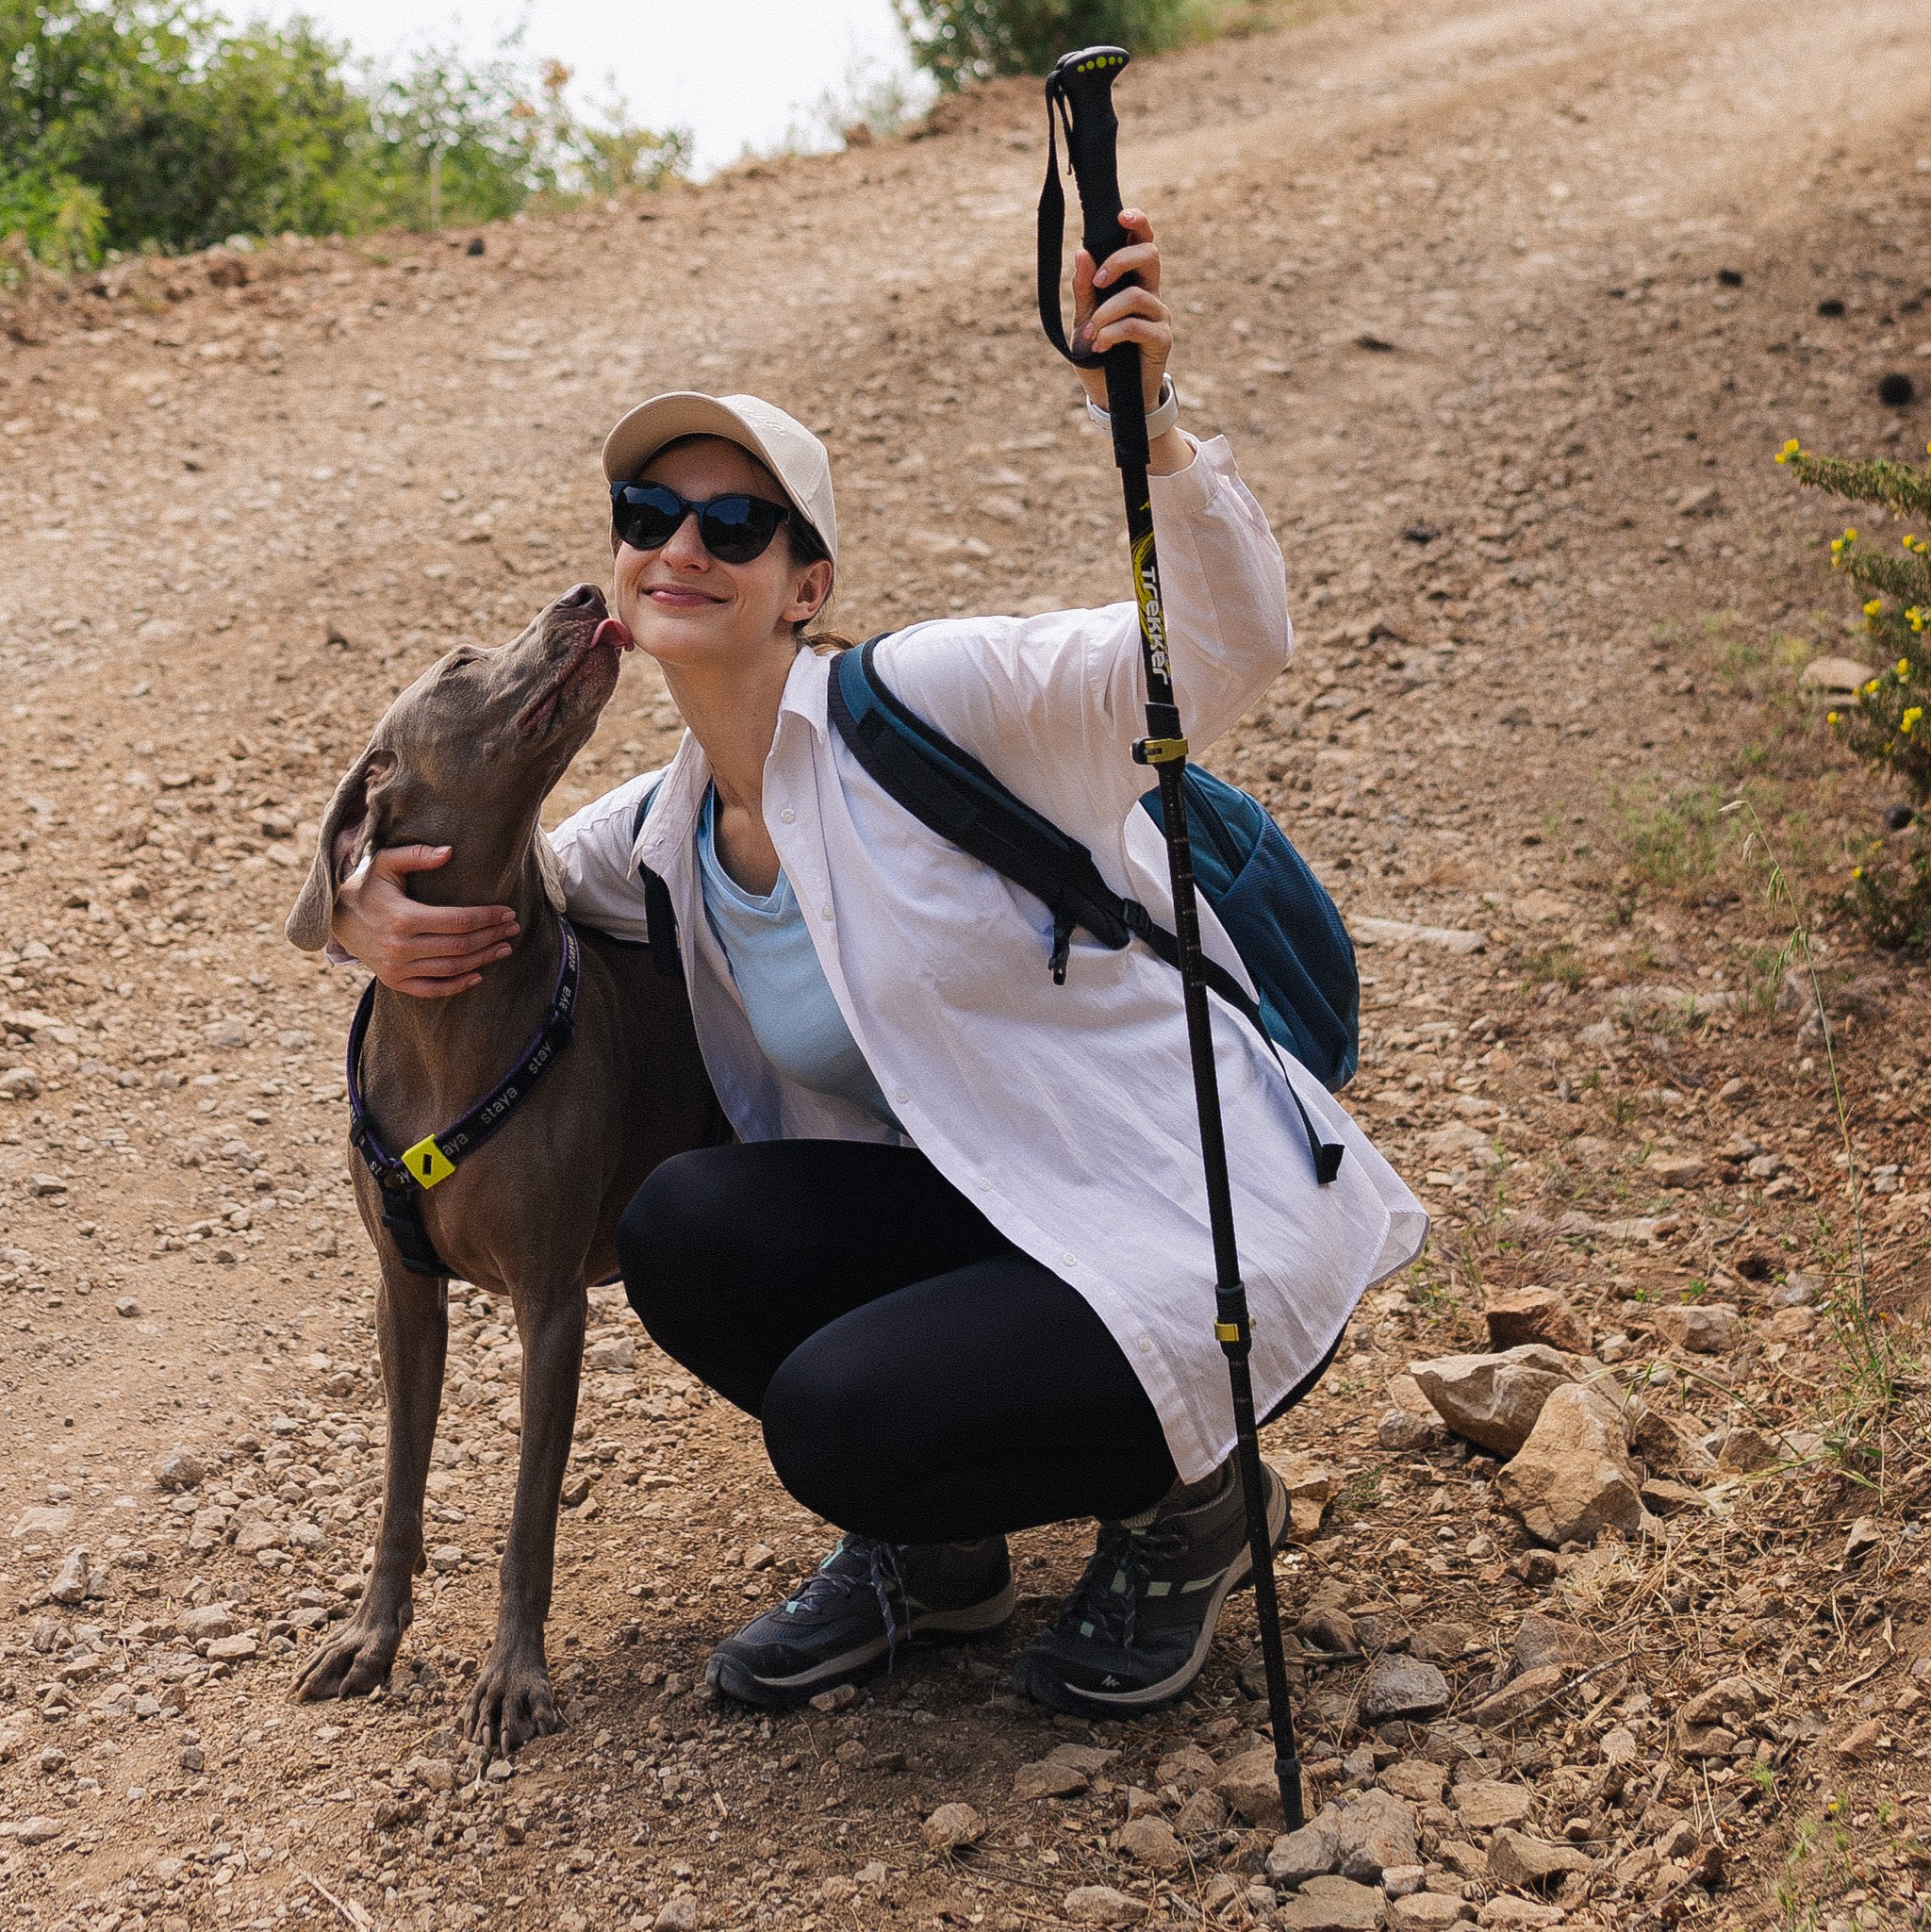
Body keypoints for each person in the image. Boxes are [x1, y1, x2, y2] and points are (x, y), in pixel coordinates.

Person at [333, 205, 1425, 1716]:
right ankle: (947, 1564)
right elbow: (473, 883)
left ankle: (1200, 1509)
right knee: (684, 1226)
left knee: (839, 1421)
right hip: (989, 1220)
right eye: (651, 514)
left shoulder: (934, 702)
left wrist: (1152, 428)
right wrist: (356, 919)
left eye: (737, 526)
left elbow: (1225, 653)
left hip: (1171, 1220)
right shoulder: (655, 840)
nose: (682, 548)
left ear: (809, 584)